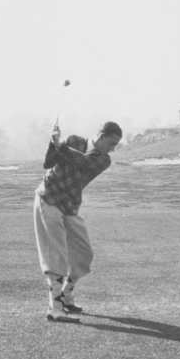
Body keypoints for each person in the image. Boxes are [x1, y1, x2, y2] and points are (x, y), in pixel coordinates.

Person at [33, 121, 122, 322]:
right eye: (111, 142)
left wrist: (60, 146)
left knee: (83, 254)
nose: (113, 148)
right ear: (100, 135)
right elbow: (48, 163)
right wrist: (52, 142)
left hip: (70, 205)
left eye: (115, 144)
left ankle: (66, 295)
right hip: (49, 198)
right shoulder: (74, 140)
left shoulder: (103, 160)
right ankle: (55, 308)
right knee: (56, 253)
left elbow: (82, 162)